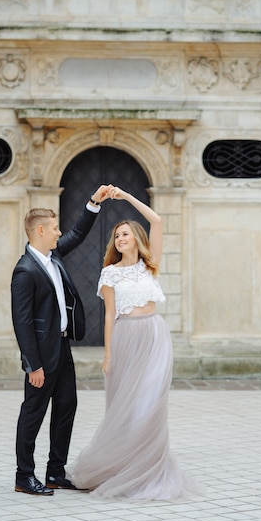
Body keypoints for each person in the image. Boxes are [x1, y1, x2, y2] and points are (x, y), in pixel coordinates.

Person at [67, 186, 200, 500]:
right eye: (117, 236)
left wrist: (125, 196)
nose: (120, 239)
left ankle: (150, 468)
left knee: (150, 403)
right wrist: (108, 355)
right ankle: (122, 467)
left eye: (125, 234)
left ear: (137, 239)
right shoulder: (110, 274)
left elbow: (157, 220)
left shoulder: (149, 264)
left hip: (154, 336)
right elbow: (110, 316)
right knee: (125, 406)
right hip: (126, 337)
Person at [11, 185, 112, 496]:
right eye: (54, 228)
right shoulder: (25, 271)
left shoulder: (52, 257)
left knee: (67, 405)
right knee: (33, 412)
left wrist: (94, 202)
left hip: (63, 347)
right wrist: (33, 365)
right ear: (40, 230)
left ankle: (56, 471)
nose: (59, 233)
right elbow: (22, 322)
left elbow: (77, 235)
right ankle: (24, 476)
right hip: (42, 355)